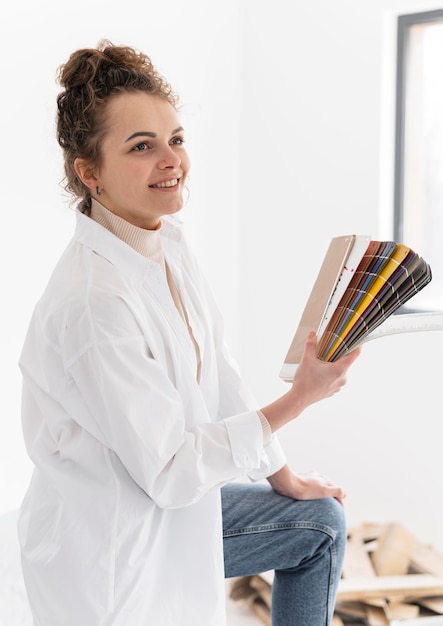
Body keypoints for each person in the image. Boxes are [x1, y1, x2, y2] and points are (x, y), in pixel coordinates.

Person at [18, 40, 361, 626]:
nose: (170, 160)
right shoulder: (93, 302)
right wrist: (300, 398)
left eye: (175, 139)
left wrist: (286, 477)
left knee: (319, 522)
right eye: (142, 147)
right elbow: (172, 473)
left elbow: (219, 373)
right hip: (112, 558)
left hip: (169, 515)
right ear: (89, 173)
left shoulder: (165, 243)